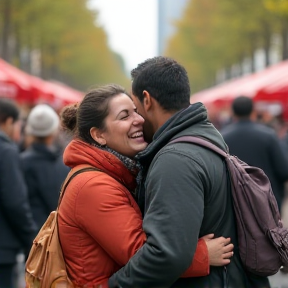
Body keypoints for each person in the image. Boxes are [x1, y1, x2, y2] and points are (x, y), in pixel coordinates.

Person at [107, 57, 271, 288]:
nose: (136, 119)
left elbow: (166, 254)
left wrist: (113, 285)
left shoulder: (175, 160)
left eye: (135, 109)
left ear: (147, 99)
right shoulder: (204, 136)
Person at [57, 84, 234, 288]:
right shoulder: (94, 186)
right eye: (124, 116)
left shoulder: (113, 174)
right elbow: (139, 253)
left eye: (135, 111)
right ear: (98, 135)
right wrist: (202, 254)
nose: (139, 120)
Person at [221, 96, 288, 213]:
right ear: (253, 111)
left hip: (236, 203)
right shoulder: (268, 135)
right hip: (268, 202)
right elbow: (283, 170)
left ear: (232, 112)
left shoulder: (222, 137)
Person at [0, 99, 37, 288]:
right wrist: (31, 238)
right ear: (7, 122)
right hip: (3, 249)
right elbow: (15, 201)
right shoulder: (6, 151)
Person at [20, 104, 70, 230]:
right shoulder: (64, 164)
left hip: (28, 233)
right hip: (53, 233)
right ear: (54, 130)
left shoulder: (21, 162)